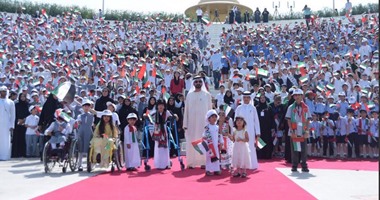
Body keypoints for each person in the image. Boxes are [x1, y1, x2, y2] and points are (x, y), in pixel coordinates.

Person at [183, 75, 212, 169]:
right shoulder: (189, 95)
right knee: (191, 141)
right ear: (193, 83)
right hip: (191, 123)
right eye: (196, 82)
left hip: (203, 124)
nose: (198, 83)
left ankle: (204, 162)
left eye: (200, 82)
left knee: (203, 142)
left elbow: (210, 110)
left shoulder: (207, 95)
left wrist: (210, 124)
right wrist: (185, 124)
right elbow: (186, 110)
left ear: (202, 83)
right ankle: (191, 162)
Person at [285, 89, 311, 172]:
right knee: (294, 149)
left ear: (302, 96)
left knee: (304, 149)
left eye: (298, 95)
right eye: (295, 95)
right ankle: (294, 165)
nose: (297, 97)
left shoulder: (306, 107)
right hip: (294, 130)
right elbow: (288, 119)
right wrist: (291, 131)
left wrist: (307, 131)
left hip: (303, 130)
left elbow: (308, 120)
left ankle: (304, 165)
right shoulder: (291, 107)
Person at [234, 91, 260, 170]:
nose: (246, 99)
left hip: (251, 131)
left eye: (248, 97)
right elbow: (236, 119)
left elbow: (256, 121)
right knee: (241, 147)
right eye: (244, 97)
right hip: (240, 131)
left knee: (251, 147)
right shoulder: (239, 108)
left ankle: (251, 164)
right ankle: (241, 165)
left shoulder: (253, 108)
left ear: (250, 98)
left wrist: (258, 132)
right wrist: (235, 131)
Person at [151, 99, 173, 169]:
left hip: (164, 130)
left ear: (164, 106)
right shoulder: (154, 112)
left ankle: (166, 163)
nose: (161, 106)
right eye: (159, 105)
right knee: (158, 147)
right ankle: (159, 164)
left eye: (162, 105)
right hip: (157, 130)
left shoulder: (166, 112)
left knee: (165, 147)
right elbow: (148, 115)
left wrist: (175, 116)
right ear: (157, 106)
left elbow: (172, 117)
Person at [203, 109, 223, 176]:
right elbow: (204, 135)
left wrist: (221, 142)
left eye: (215, 117)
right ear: (208, 119)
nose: (214, 118)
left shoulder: (217, 127)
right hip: (209, 146)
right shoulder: (207, 128)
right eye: (212, 117)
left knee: (217, 157)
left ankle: (216, 169)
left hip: (216, 145)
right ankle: (208, 170)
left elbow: (220, 135)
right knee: (209, 157)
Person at [76, 99, 94, 171]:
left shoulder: (92, 115)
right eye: (85, 106)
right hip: (81, 131)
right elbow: (78, 122)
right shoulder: (80, 116)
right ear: (83, 107)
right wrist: (78, 122)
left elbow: (92, 124)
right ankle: (79, 165)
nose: (86, 107)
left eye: (88, 106)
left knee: (89, 148)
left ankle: (89, 164)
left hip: (89, 131)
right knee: (80, 148)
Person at [256, 94, 275, 159]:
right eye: (261, 98)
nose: (262, 99)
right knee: (260, 140)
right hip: (259, 127)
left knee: (267, 140)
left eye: (263, 98)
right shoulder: (257, 107)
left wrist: (273, 127)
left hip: (267, 127)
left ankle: (267, 154)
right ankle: (260, 155)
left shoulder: (269, 107)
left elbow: (272, 118)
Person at [0, 86, 16, 161]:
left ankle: (5, 156)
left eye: (5, 91)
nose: (3, 92)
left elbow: (13, 115)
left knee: (6, 140)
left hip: (6, 124)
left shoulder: (11, 102)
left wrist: (12, 125)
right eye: (2, 91)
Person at [12, 93, 29, 158]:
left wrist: (24, 120)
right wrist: (18, 120)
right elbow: (14, 113)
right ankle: (16, 153)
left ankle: (23, 153)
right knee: (17, 139)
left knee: (23, 139)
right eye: (21, 96)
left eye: (23, 96)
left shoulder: (27, 105)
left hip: (24, 124)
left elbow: (28, 114)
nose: (22, 98)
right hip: (17, 124)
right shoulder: (16, 105)